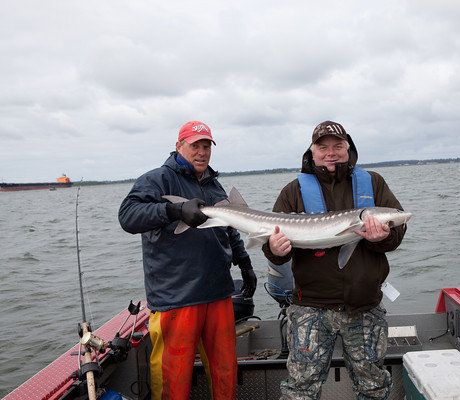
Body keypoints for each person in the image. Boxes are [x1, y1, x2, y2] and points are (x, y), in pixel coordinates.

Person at [262, 121, 407, 400]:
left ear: (348, 149)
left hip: (364, 305)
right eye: (323, 146)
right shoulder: (293, 191)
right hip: (310, 307)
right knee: (300, 390)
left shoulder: (373, 183)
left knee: (373, 387)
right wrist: (275, 250)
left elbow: (397, 232)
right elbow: (274, 247)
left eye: (338, 146)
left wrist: (383, 238)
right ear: (312, 152)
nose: (331, 153)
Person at [118, 120, 257, 400]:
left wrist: (245, 264)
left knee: (225, 371)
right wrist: (174, 210)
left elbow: (229, 230)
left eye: (207, 146)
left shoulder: (214, 186)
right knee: (173, 376)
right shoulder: (157, 179)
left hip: (218, 292)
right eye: (195, 145)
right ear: (179, 146)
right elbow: (128, 216)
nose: (202, 152)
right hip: (176, 297)